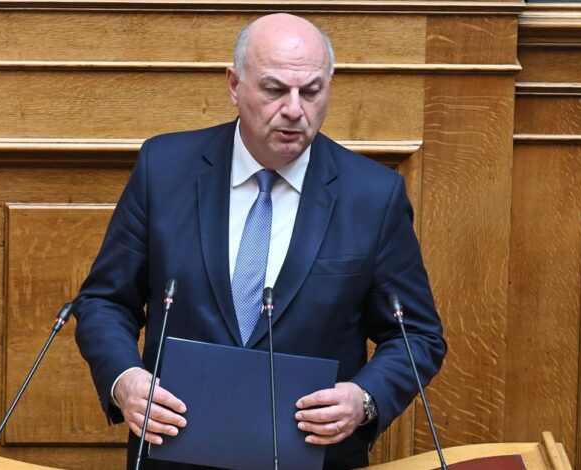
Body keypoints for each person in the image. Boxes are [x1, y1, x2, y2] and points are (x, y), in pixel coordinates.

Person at [73, 13, 446, 469]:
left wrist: (365, 398)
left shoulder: (372, 195)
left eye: (311, 91)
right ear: (235, 85)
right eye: (275, 89)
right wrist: (124, 379)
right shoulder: (164, 169)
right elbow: (104, 301)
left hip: (311, 458)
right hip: (175, 455)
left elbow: (416, 335)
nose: (294, 109)